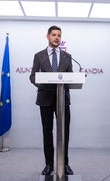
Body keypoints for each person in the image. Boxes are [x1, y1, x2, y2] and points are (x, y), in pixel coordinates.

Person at [29, 25, 74, 175]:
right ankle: (49, 164)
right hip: (45, 98)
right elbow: (33, 76)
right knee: (47, 132)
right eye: (54, 35)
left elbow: (71, 77)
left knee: (64, 133)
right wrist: (45, 81)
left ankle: (65, 164)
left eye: (59, 35)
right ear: (48, 36)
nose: (56, 38)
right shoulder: (39, 55)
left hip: (63, 99)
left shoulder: (67, 56)